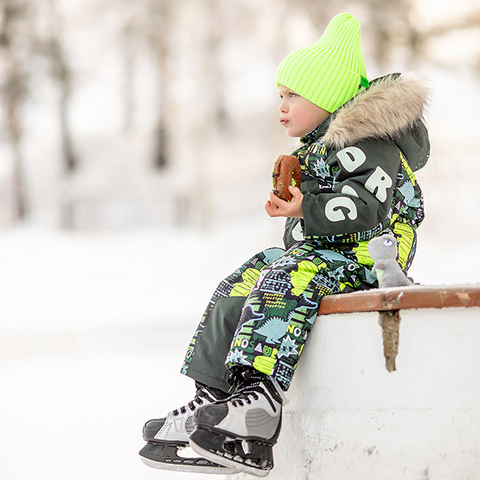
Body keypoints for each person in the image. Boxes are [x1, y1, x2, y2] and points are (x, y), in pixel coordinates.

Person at [139, 12, 430, 477]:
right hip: (325, 256)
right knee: (249, 274)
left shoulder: (369, 143)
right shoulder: (316, 149)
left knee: (286, 275)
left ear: (329, 96)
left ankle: (260, 404)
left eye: (293, 94)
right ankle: (214, 399)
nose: (283, 104)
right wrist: (297, 207)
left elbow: (365, 208)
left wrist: (303, 208)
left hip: (367, 260)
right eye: (281, 94)